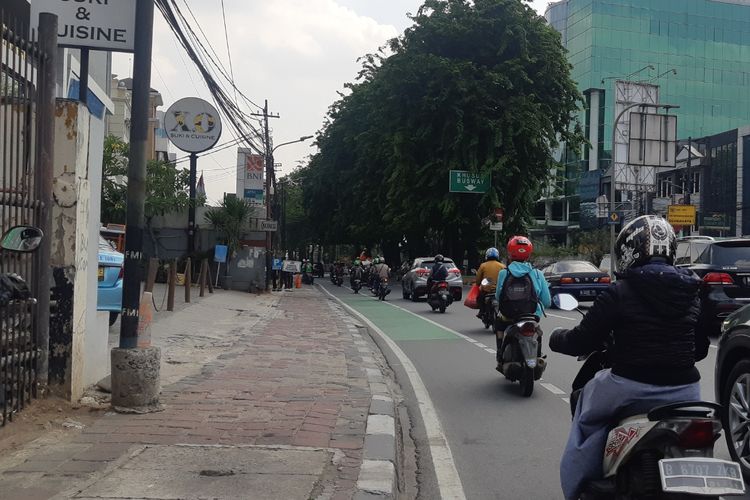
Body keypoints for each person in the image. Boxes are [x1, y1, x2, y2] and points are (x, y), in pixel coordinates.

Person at [548, 215, 707, 500]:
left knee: (587, 419)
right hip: (687, 389)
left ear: (627, 251)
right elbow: (701, 349)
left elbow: (582, 340)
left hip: (629, 386)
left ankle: (577, 490)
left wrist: (555, 336)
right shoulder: (691, 291)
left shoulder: (619, 292)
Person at [494, 236, 551, 368]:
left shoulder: (504, 273)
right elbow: (546, 301)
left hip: (509, 315)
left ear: (509, 253)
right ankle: (538, 354)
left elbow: (498, 297)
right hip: (532, 315)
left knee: (499, 323)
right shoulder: (537, 273)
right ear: (529, 254)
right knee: (538, 331)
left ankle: (499, 353)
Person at [474, 247, 506, 319]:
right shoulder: (502, 266)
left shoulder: (483, 265)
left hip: (487, 290)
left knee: (480, 297)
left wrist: (478, 284)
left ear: (487, 256)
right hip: (499, 290)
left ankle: (481, 311)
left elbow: (478, 280)